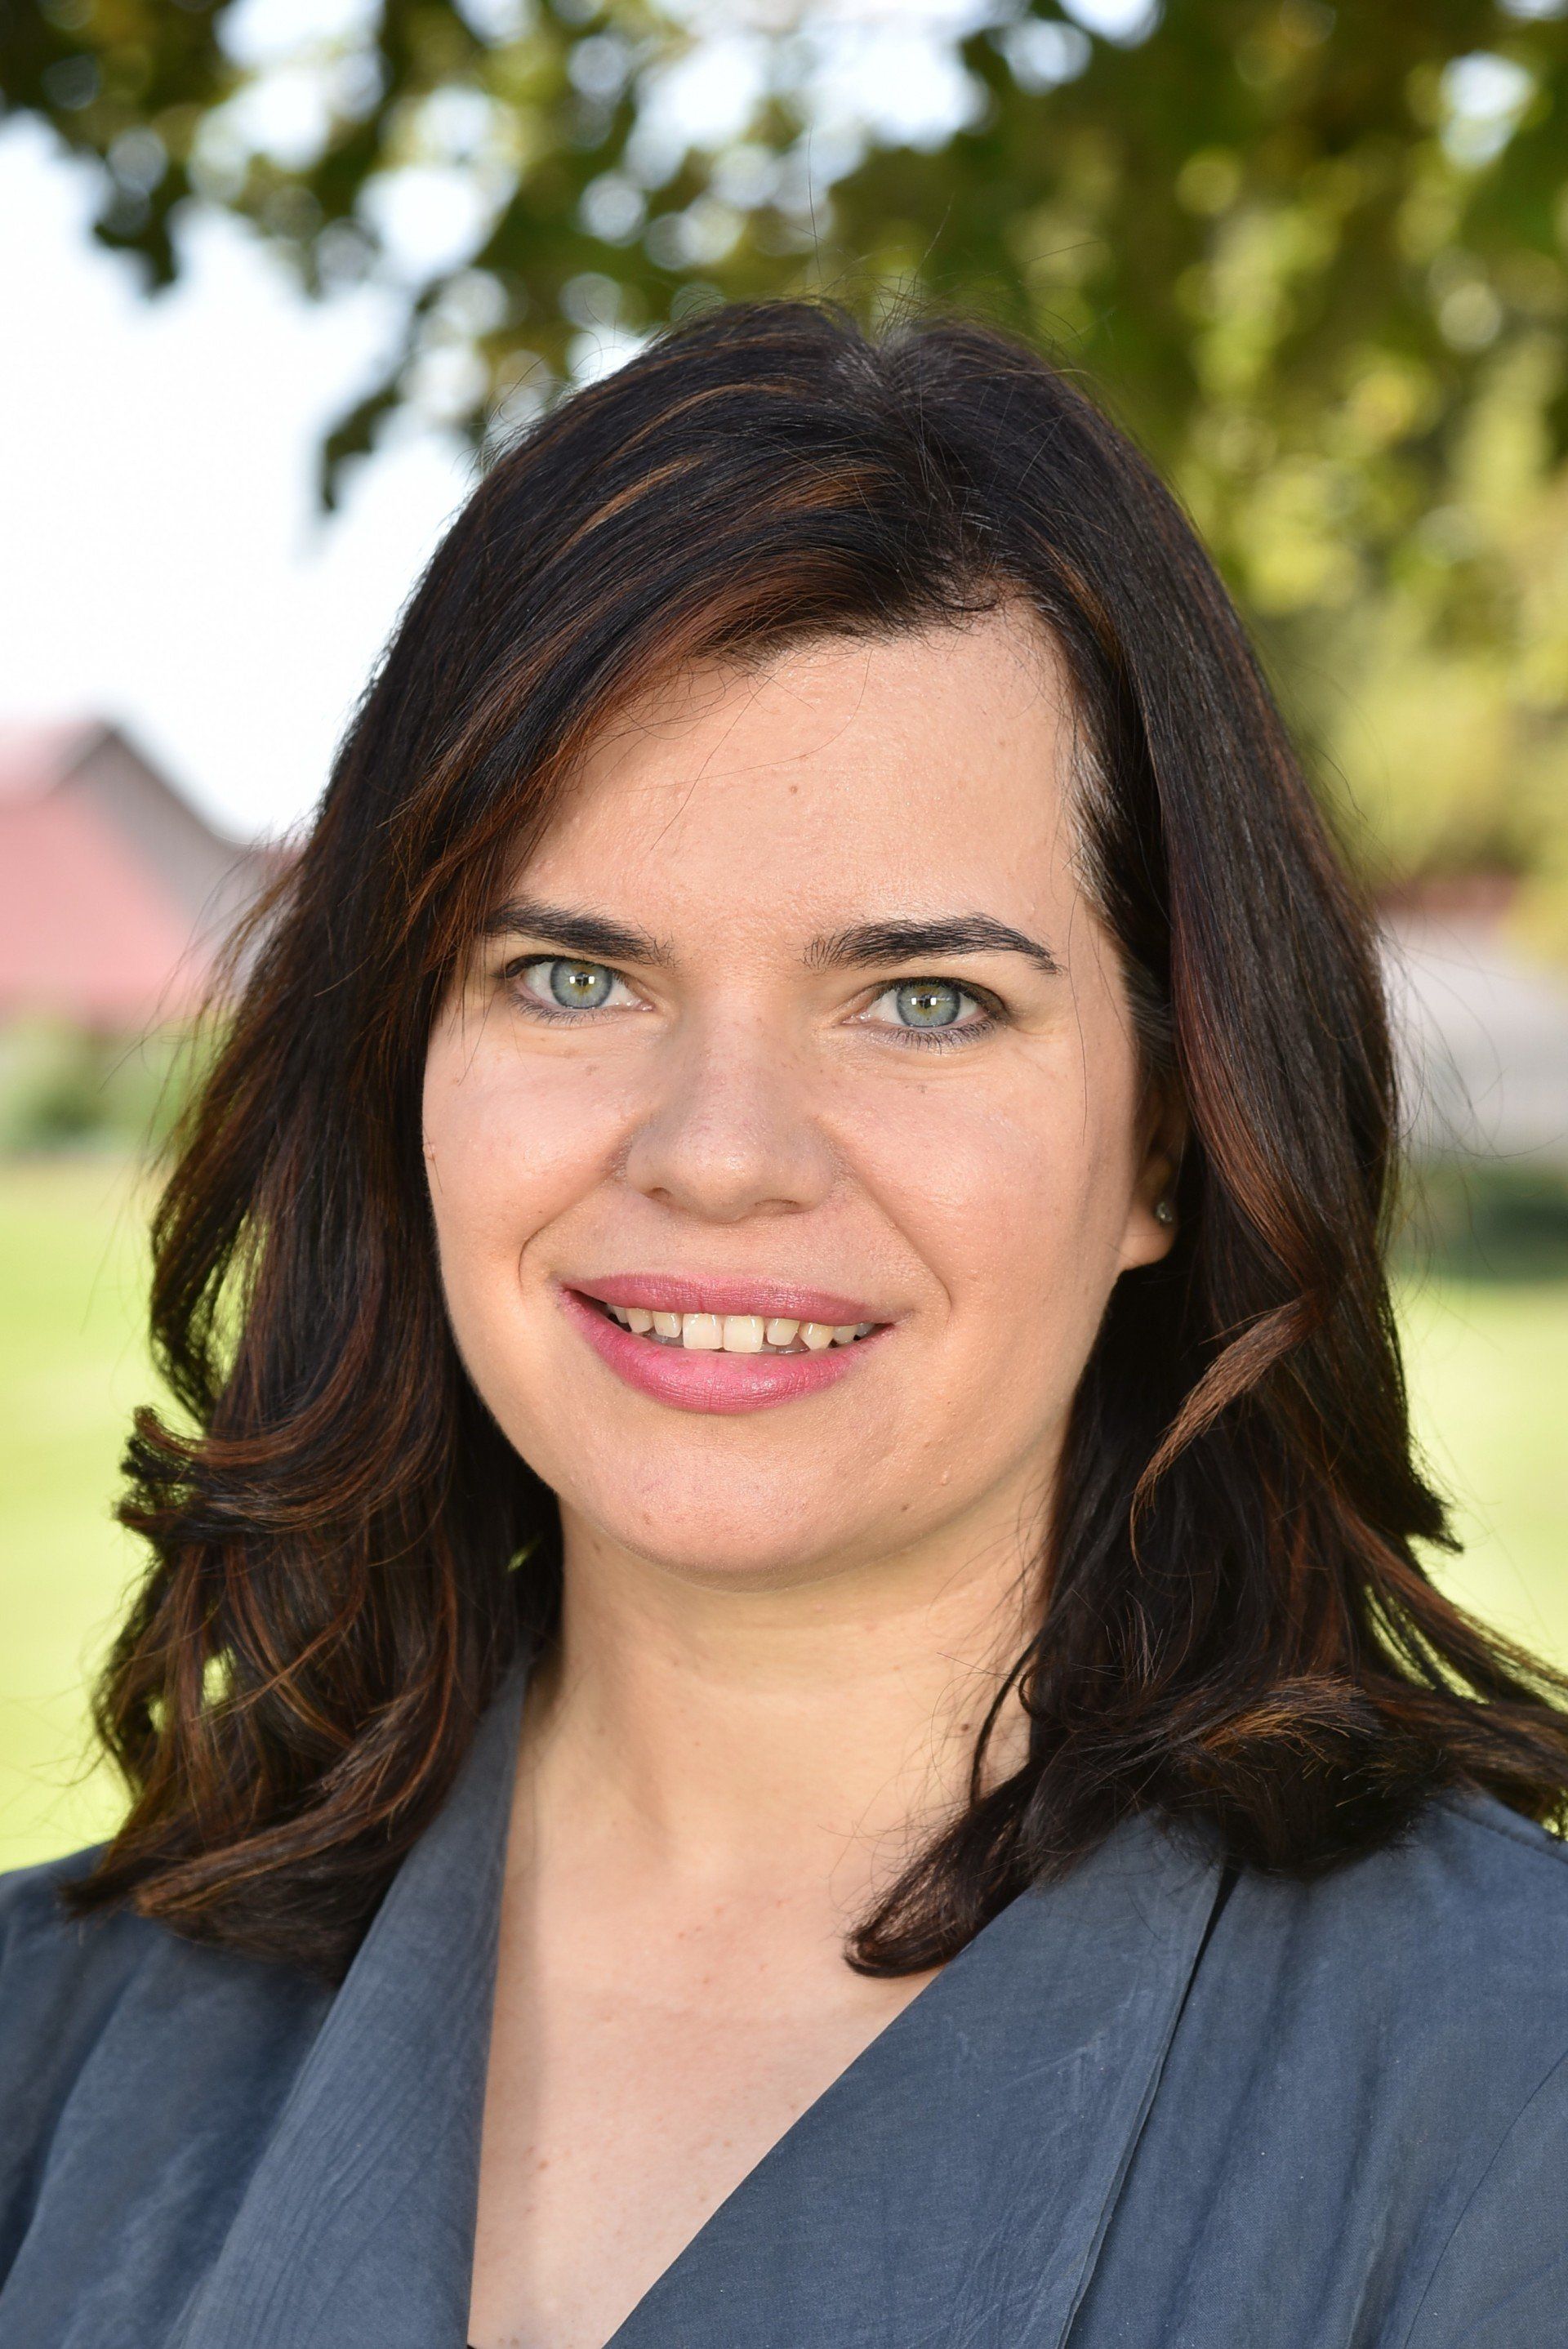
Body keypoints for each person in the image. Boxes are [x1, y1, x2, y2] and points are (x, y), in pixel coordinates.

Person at [2, 300, 1567, 2349]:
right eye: (573, 976)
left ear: (1173, 1139)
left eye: (924, 999)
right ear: (405, 1057)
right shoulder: (47, 2054)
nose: (721, 1155)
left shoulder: (1502, 2090)